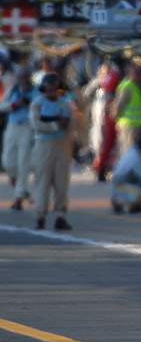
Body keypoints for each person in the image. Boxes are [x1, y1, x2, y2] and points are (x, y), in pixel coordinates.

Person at [29, 73, 73, 230]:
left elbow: (73, 122)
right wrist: (55, 125)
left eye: (55, 90)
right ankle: (40, 215)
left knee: (62, 182)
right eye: (48, 90)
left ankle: (61, 215)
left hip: (61, 145)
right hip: (43, 145)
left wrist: (67, 124)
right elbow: (36, 124)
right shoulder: (37, 104)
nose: (51, 93)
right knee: (42, 181)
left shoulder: (65, 104)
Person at [2, 67, 36, 210]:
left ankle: (18, 197)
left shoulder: (35, 91)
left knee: (23, 163)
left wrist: (29, 105)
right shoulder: (13, 90)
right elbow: (1, 105)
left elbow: (39, 107)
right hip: (12, 126)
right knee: (8, 162)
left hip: (27, 128)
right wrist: (14, 104)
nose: (23, 80)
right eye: (20, 77)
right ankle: (18, 186)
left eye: (25, 76)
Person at [112, 58, 141, 164]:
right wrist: (116, 121)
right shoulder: (127, 87)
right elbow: (118, 106)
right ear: (130, 73)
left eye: (140, 73)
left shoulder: (136, 87)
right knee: (127, 153)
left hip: (135, 126)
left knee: (134, 154)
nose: (139, 76)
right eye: (136, 73)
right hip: (128, 126)